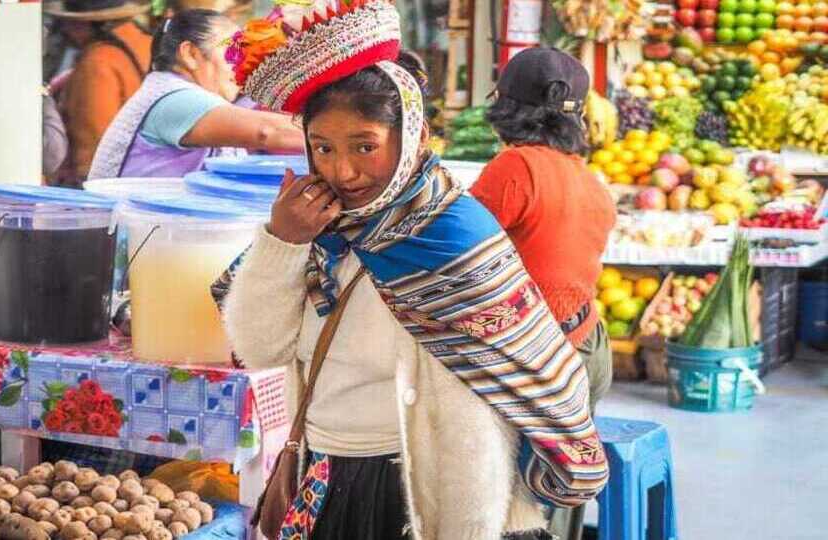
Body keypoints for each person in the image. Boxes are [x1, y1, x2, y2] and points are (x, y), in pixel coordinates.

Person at [213, 2, 609, 539]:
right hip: (327, 474)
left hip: (433, 485)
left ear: (413, 138)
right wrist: (281, 242)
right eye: (322, 147)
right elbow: (262, 350)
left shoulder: (456, 237)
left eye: (365, 146)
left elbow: (534, 372)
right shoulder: (312, 228)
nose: (342, 170)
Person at [469, 47, 617, 411]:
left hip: (543, 359)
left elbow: (458, 251)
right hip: (589, 347)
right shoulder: (590, 180)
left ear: (505, 108)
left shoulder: (515, 166)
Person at [88, 9, 304, 179]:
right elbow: (267, 132)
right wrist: (334, 133)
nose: (243, 64)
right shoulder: (175, 99)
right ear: (190, 54)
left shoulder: (171, 91)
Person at [46, 0, 153, 185]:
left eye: (67, 23)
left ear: (82, 23)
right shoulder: (147, 42)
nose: (65, 30)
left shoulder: (96, 63)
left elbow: (93, 143)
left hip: (108, 181)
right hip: (144, 171)